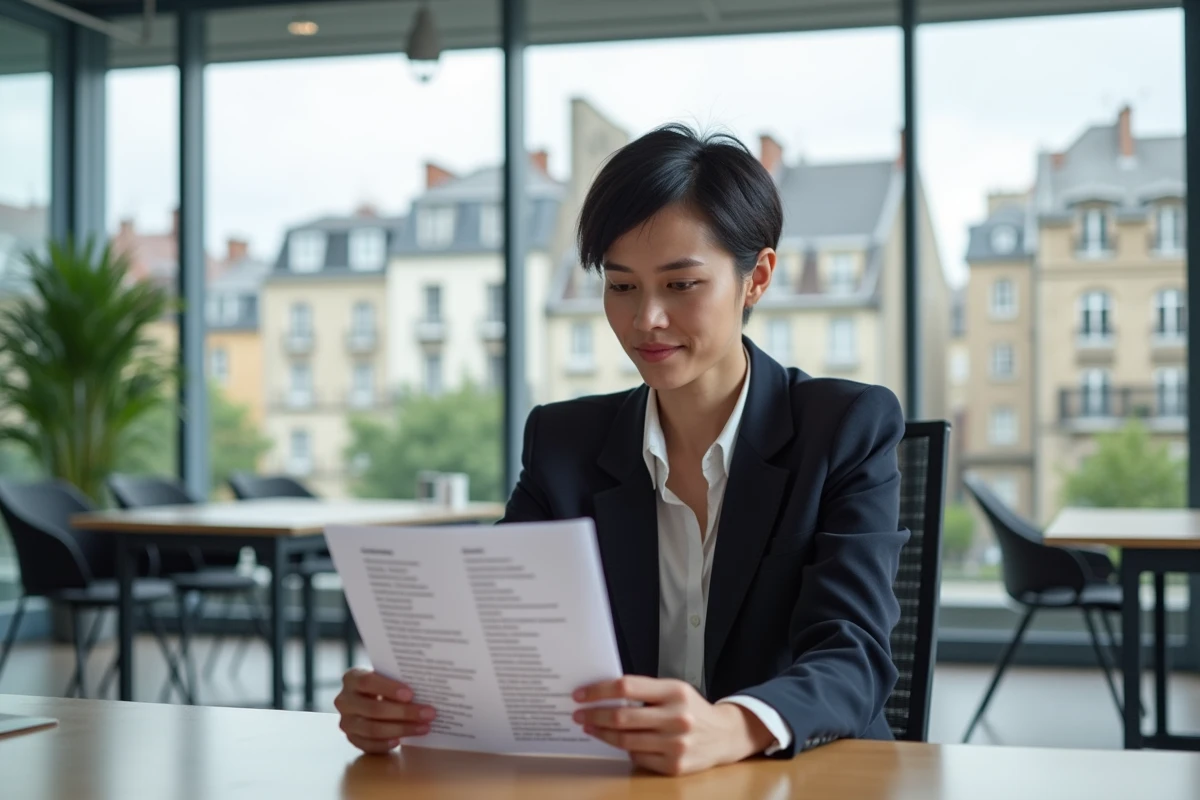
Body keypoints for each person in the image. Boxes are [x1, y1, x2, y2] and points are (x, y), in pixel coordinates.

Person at [334, 124, 908, 776]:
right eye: (622, 285)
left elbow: (853, 654)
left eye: (681, 285)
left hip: (801, 778)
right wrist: (403, 701)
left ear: (758, 278)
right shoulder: (562, 444)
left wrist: (732, 725)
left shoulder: (846, 428)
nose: (646, 320)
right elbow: (499, 641)